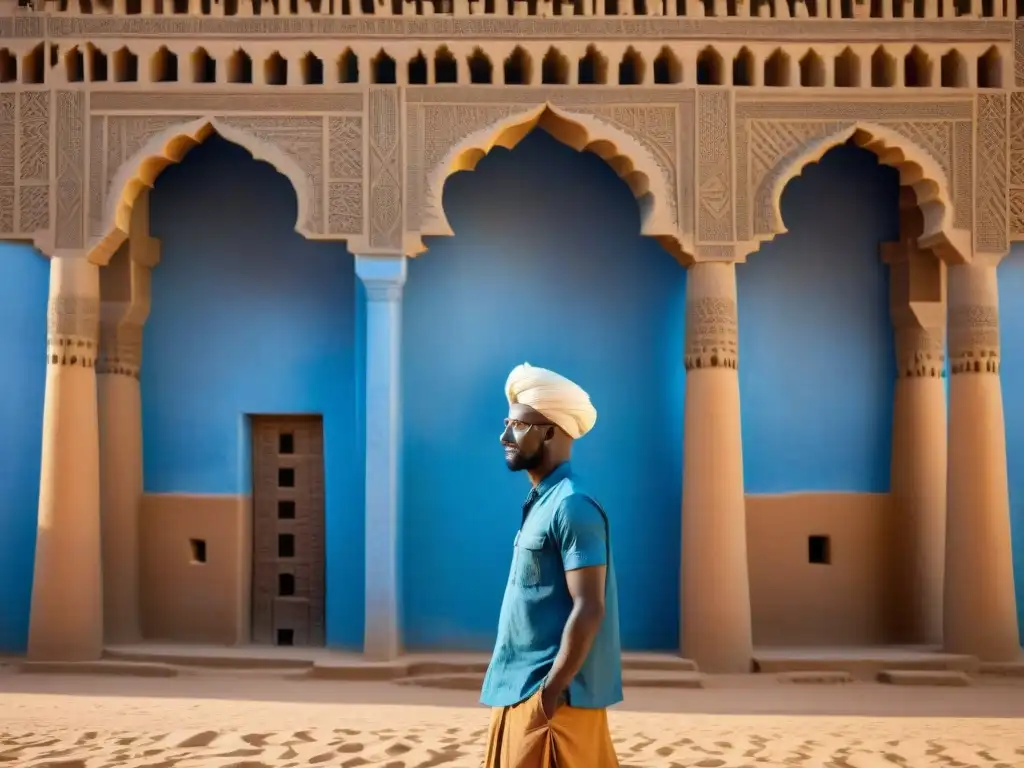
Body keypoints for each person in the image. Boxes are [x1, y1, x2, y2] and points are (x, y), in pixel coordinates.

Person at [480, 362, 622, 768]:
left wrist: (550, 693)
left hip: (552, 705)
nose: (505, 435)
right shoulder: (543, 501)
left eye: (518, 425)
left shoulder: (573, 505)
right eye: (507, 422)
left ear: (549, 431)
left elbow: (589, 606)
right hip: (515, 691)